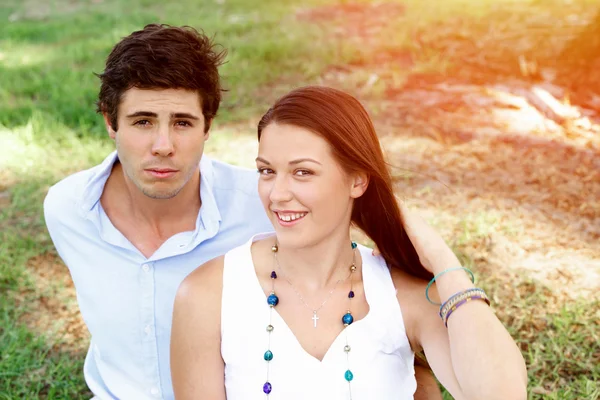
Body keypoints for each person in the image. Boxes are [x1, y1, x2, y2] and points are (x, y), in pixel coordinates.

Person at [43, 25, 441, 399]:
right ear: (111, 123)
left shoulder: (269, 206)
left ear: (208, 126)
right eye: (142, 121)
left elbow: (379, 309)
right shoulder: (68, 210)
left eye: (182, 122)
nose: (162, 145)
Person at [170, 86, 528, 399]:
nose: (277, 194)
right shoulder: (207, 294)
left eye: (302, 172)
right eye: (267, 171)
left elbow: (501, 395)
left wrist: (442, 261)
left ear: (357, 180)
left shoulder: (402, 296)